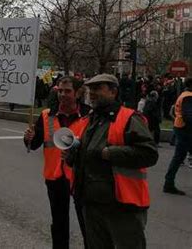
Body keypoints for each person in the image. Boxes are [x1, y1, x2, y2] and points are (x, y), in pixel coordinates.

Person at [65, 74, 158, 249]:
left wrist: (111, 153)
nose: (92, 93)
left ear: (113, 91)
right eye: (91, 89)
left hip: (121, 206)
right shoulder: (91, 119)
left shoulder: (129, 118)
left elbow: (149, 153)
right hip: (91, 203)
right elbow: (87, 155)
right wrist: (72, 156)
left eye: (98, 88)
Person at [24, 76, 90, 249]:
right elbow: (36, 143)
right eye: (59, 90)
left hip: (80, 177)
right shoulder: (47, 115)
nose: (62, 94)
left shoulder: (89, 116)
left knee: (88, 225)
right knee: (59, 223)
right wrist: (28, 138)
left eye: (67, 91)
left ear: (78, 93)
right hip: (55, 176)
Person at [163, 77, 192, 195]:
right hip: (186, 129)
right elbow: (188, 115)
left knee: (178, 157)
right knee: (178, 157)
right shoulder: (188, 96)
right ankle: (168, 183)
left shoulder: (184, 94)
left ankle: (168, 183)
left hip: (182, 128)